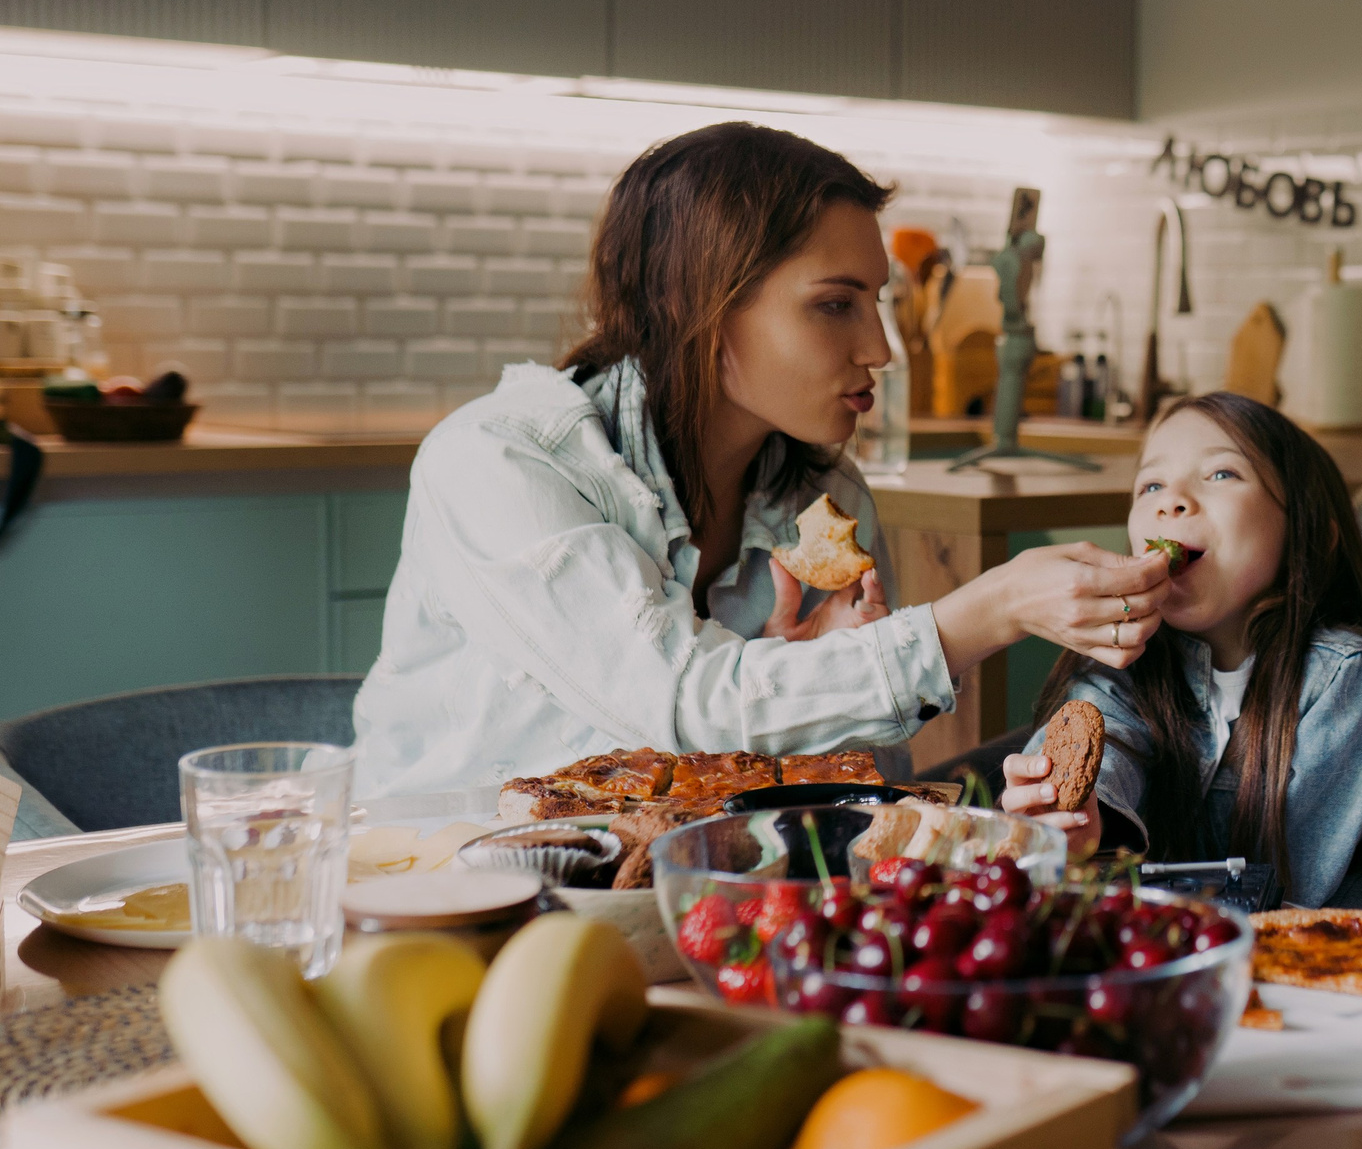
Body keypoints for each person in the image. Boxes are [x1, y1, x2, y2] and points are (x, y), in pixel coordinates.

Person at [352, 122, 1169, 794]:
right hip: (443, 895)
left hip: (677, 901)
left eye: (876, 302)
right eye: (835, 305)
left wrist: (812, 697)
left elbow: (852, 793)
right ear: (691, 301)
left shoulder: (822, 495)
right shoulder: (500, 464)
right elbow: (679, 701)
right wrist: (990, 608)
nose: (880, 348)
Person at [998, 393, 1362, 905]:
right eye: (1151, 484)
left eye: (1221, 475)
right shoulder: (1122, 658)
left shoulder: (1344, 676)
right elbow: (1100, 757)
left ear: (1309, 534)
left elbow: (1290, 896)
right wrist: (1067, 815)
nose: (1172, 501)